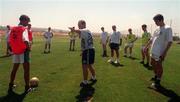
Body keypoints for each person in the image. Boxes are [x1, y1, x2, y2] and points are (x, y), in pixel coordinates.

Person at [144, 14, 173, 88]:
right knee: (152, 63)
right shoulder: (157, 28)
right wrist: (146, 46)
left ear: (161, 20)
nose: (155, 23)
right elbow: (152, 39)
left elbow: (170, 42)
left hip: (160, 52)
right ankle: (156, 76)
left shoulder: (168, 28)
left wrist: (164, 53)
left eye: (156, 21)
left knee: (159, 66)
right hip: (153, 50)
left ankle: (158, 82)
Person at [69, 20, 97, 87]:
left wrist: (73, 30)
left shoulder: (84, 30)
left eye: (79, 25)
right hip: (89, 50)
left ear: (83, 24)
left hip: (88, 51)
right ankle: (94, 77)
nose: (78, 26)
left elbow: (78, 31)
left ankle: (85, 81)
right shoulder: (87, 31)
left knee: (84, 66)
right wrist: (82, 51)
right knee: (89, 65)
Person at [8, 14, 31, 93]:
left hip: (16, 51)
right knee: (26, 70)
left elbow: (9, 40)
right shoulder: (23, 29)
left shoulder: (13, 28)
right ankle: (27, 87)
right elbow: (26, 41)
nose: (28, 23)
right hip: (23, 51)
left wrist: (12, 48)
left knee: (14, 69)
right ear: (23, 20)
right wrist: (29, 48)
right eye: (27, 21)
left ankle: (11, 85)